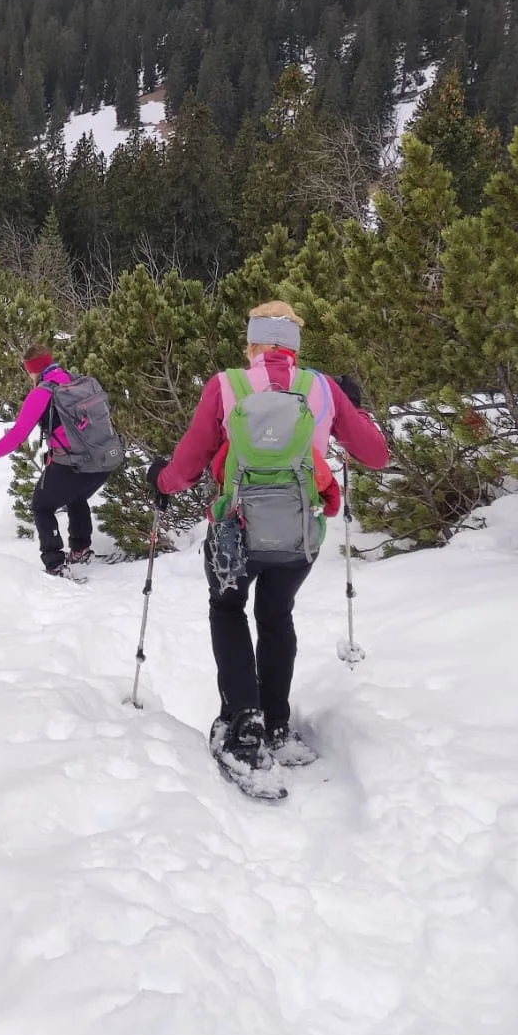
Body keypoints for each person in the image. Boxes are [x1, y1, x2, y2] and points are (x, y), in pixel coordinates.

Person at [147, 301, 389, 789]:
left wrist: (161, 480)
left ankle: (243, 726)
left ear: (252, 345)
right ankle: (276, 724)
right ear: (295, 347)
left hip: (236, 531)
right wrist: (355, 407)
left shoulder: (225, 386)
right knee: (276, 616)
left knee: (227, 609)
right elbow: (376, 454)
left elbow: (187, 465)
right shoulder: (322, 388)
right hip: (299, 534)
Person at [0, 345, 111, 575]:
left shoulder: (43, 393)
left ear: (32, 370)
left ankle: (55, 563)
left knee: (41, 506)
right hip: (104, 460)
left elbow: (16, 437)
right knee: (76, 495)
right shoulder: (77, 381)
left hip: (74, 463)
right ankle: (80, 550)